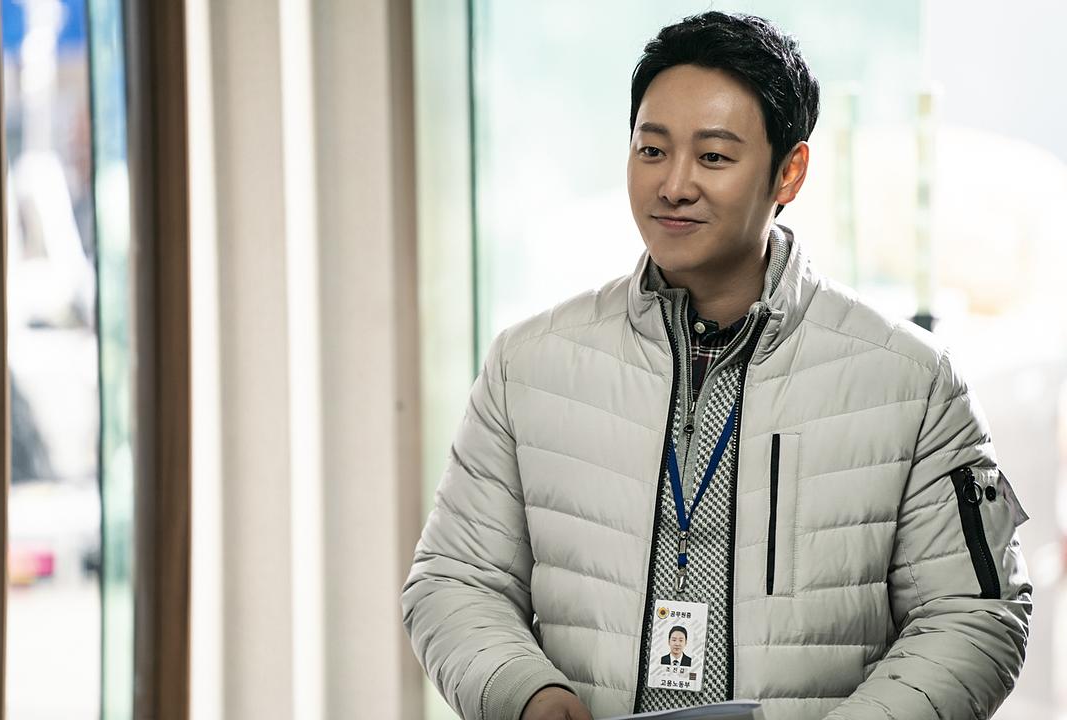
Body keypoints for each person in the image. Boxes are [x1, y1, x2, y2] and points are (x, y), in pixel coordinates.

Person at [402, 10, 1031, 720]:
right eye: (652, 150)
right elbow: (455, 581)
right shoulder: (530, 364)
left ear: (789, 172)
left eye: (713, 157)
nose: (674, 185)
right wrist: (527, 694)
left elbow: (974, 615)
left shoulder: (912, 382)